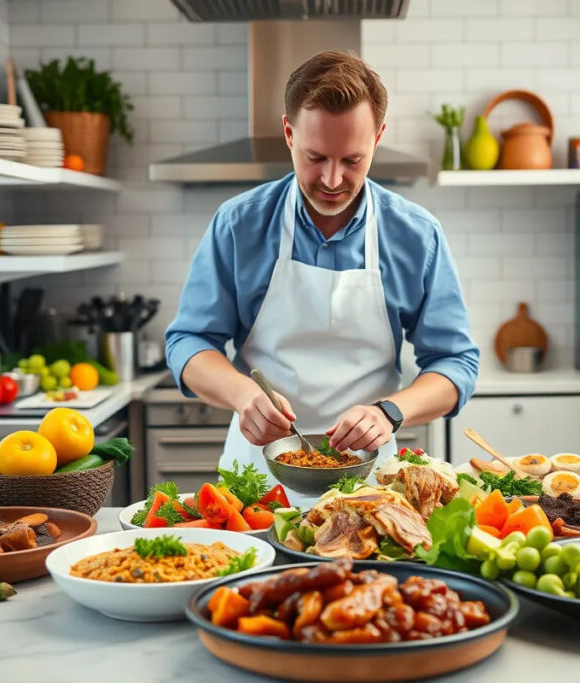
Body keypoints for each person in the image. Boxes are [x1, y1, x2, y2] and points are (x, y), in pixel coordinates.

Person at [165, 51, 479, 504]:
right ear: (289, 134)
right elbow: (188, 342)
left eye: (353, 159)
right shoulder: (239, 224)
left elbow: (456, 364)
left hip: (374, 482)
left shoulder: (417, 235)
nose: (332, 179)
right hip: (258, 478)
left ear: (379, 138)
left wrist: (391, 411)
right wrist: (242, 396)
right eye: (316, 157)